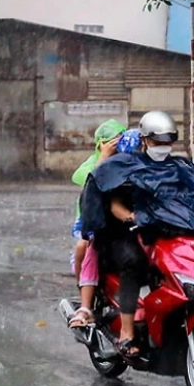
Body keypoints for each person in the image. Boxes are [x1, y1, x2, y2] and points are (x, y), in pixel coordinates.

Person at [93, 110, 179, 358]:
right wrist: (133, 217)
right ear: (144, 140)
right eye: (156, 142)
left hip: (162, 230)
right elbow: (114, 204)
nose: (163, 147)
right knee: (136, 262)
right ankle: (127, 332)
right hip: (122, 234)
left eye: (167, 142)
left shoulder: (175, 167)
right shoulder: (125, 165)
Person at [67, 120, 126, 329]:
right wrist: (103, 157)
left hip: (119, 220)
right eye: (111, 142)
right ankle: (84, 292)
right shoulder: (93, 162)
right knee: (85, 246)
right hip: (91, 219)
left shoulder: (125, 162)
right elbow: (84, 178)